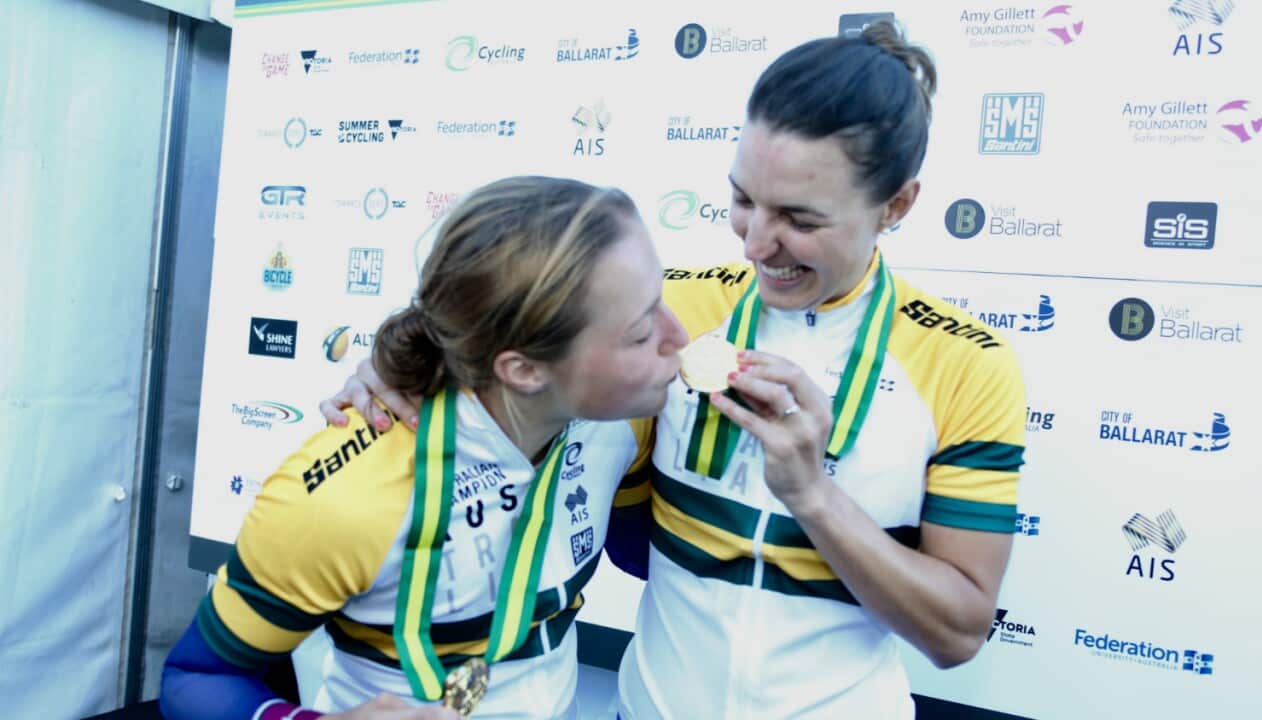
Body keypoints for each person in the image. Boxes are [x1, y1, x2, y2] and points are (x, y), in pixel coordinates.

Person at [323, 24, 1026, 719]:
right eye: (744, 199)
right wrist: (396, 370)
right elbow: (505, 357)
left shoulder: (967, 364)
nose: (755, 243)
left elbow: (957, 633)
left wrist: (813, 495)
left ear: (897, 205)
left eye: (799, 220)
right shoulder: (677, 303)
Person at [160, 176, 689, 720]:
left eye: (662, 302)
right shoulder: (345, 497)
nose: (681, 336)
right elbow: (194, 677)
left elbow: (650, 556)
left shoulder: (621, 418)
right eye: (640, 332)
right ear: (524, 369)